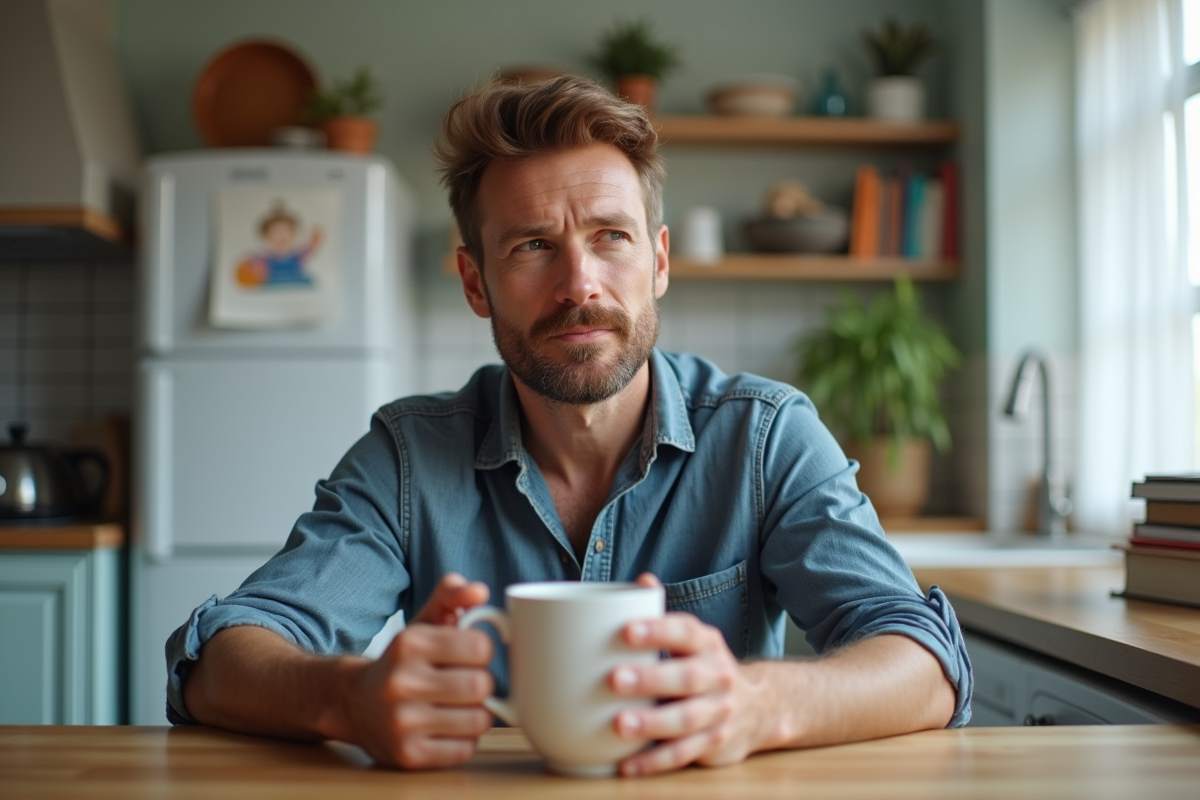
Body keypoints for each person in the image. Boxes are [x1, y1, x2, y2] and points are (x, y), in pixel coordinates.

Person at [167, 75, 972, 777]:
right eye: (531, 247)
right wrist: (348, 698)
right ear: (475, 283)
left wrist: (760, 702)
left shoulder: (766, 438)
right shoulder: (409, 457)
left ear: (658, 261)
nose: (578, 283)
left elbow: (926, 663)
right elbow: (221, 659)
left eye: (610, 237)